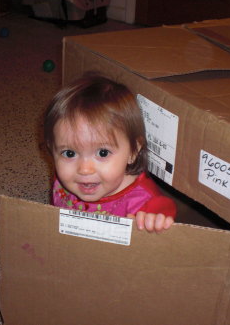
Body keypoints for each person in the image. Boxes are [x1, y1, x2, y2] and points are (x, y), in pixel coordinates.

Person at [44, 73, 176, 232]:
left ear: (133, 151)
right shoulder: (68, 177)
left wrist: (155, 219)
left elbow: (163, 207)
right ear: (53, 149)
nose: (85, 169)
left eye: (103, 153)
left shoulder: (141, 201)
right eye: (70, 154)